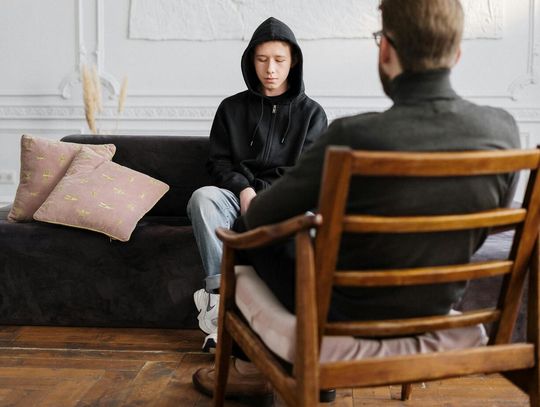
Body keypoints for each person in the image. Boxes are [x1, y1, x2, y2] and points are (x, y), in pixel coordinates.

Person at [192, 0, 521, 399]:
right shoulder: (503, 131)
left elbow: (259, 217)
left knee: (248, 233)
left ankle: (253, 369)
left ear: (385, 50)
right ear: (457, 53)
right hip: (433, 307)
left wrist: (250, 216)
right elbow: (489, 223)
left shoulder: (351, 135)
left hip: (341, 310)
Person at [187, 17, 327, 352]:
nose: (270, 69)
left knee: (311, 218)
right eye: (262, 59)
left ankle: (288, 321)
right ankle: (218, 300)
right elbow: (218, 163)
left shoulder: (313, 114)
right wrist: (245, 189)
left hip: (285, 202)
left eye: (279, 60)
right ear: (251, 60)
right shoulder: (230, 109)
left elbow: (308, 174)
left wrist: (267, 198)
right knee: (203, 198)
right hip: (238, 197)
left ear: (294, 61)